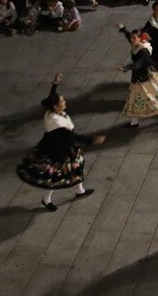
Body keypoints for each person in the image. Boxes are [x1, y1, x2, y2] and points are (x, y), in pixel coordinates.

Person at [16, 73, 105, 212]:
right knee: (55, 178)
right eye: (62, 101)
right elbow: (72, 137)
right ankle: (46, 200)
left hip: (62, 146)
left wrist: (55, 84)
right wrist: (93, 140)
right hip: (57, 151)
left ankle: (80, 190)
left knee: (76, 169)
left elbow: (49, 99)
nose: (65, 103)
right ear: (56, 106)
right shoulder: (56, 123)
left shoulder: (50, 110)